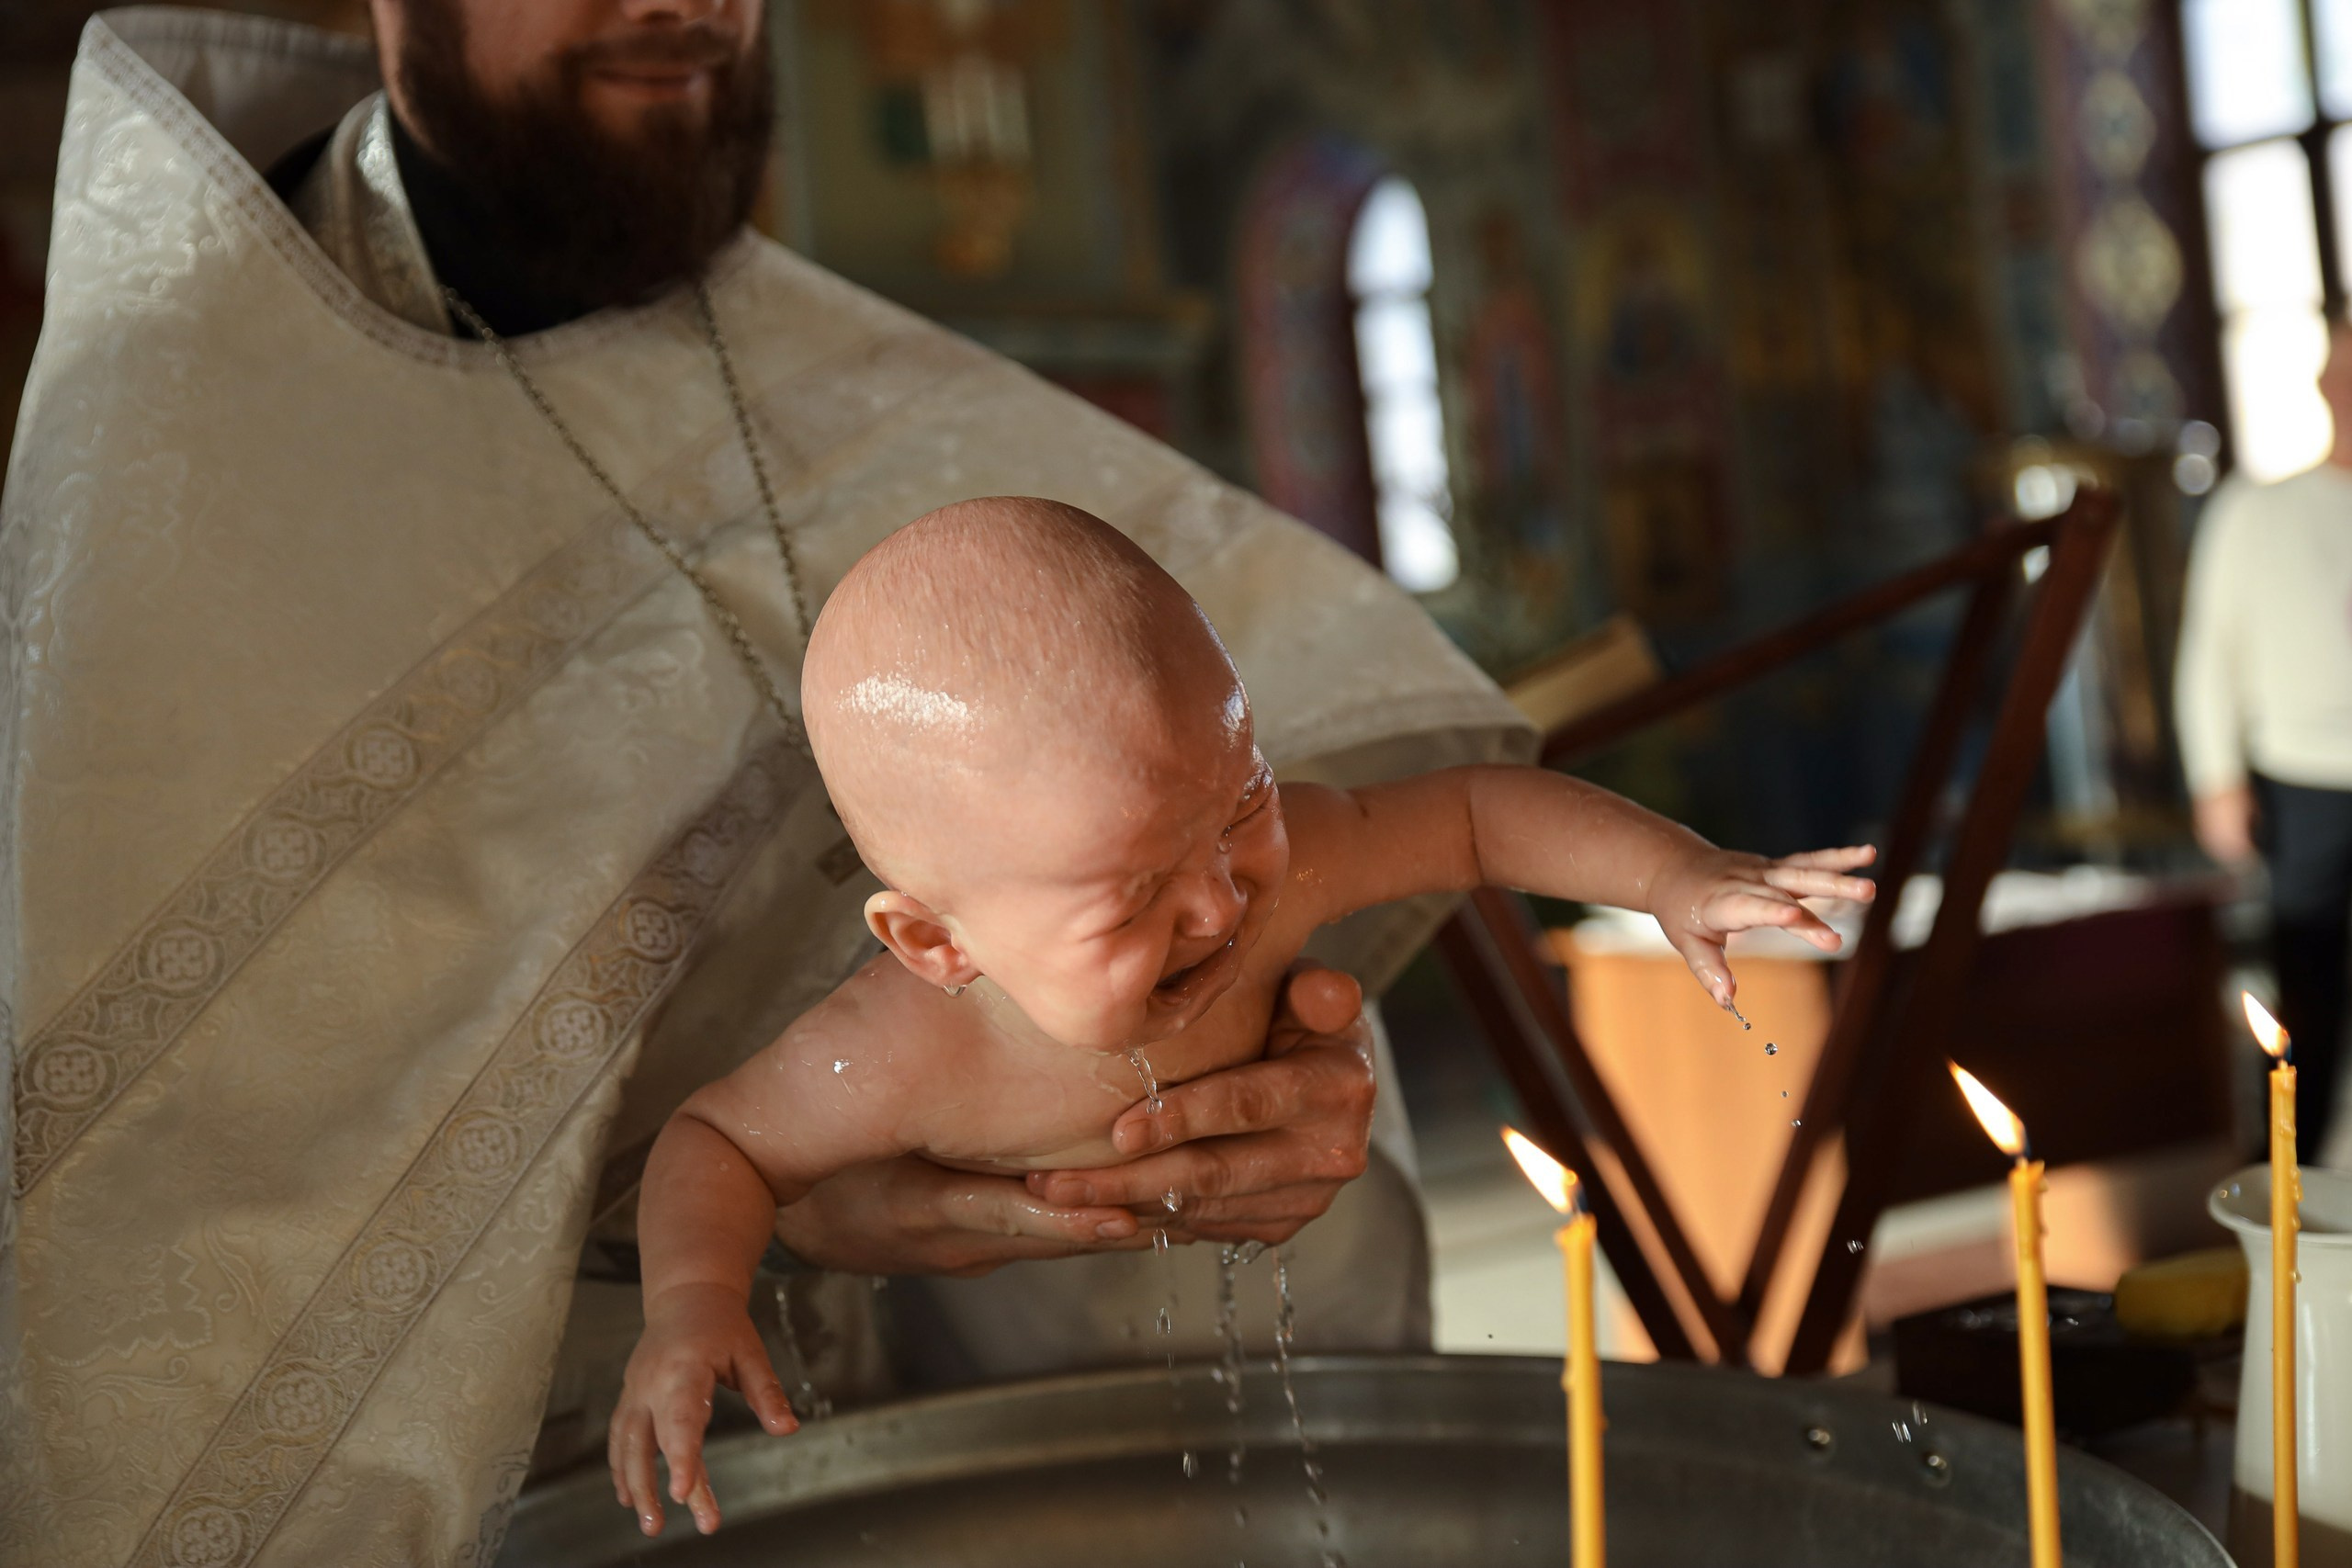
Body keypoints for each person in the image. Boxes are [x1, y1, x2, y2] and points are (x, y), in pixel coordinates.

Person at [0, 6, 1529, 1563]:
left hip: (1015, 1440)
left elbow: (1269, 821)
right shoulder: (185, 450)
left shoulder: (834, 368)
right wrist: (768, 1209)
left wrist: (1239, 1080)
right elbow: (183, 1227)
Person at [611, 497, 1878, 1535]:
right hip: (1038, 1386)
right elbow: (719, 1143)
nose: (1222, 902)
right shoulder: (900, 1048)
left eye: (1245, 800)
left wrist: (1673, 874)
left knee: (1368, 1503)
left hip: (1329, 1312)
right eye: (1134, 896)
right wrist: (695, 1298)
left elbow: (1472, 813)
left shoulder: (1273, 878)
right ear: (939, 943)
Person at [2177, 316, 2352, 1165]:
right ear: (2324, 386)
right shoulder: (2255, 509)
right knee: (2307, 991)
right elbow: (2210, 650)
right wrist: (2217, 777)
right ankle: (2288, 1178)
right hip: (2301, 781)